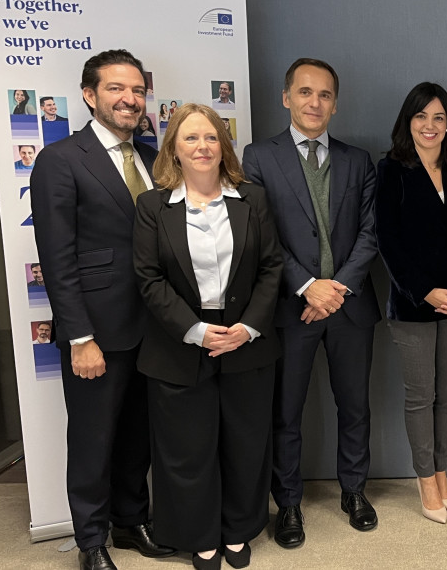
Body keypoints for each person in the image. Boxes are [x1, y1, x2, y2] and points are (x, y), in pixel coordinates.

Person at [29, 49, 174, 570]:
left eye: (137, 90)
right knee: (93, 442)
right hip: (98, 333)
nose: (130, 99)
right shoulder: (60, 160)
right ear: (90, 95)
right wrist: (79, 336)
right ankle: (91, 542)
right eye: (116, 89)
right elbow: (58, 258)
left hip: (154, 330)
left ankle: (131, 521)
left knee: (139, 436)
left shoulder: (153, 159)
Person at [133, 104, 282, 570]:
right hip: (179, 342)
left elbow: (271, 266)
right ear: (174, 149)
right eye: (191, 139)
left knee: (245, 441)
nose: (203, 147)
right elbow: (149, 278)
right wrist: (196, 331)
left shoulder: (252, 199)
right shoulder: (152, 206)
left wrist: (248, 327)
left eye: (212, 138)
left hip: (245, 337)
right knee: (186, 449)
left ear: (224, 146)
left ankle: (238, 529)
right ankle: (199, 536)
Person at [243, 58, 382, 545]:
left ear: (335, 104)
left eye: (324, 95)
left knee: (355, 407)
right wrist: (307, 286)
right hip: (290, 307)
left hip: (349, 306)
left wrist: (336, 287)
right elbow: (261, 235)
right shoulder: (258, 158)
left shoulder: (358, 160)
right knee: (287, 412)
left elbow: (370, 232)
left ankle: (354, 491)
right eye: (304, 93)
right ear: (286, 98)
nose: (314, 103)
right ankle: (289, 504)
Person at [375, 82, 447, 524]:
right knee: (421, 396)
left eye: (439, 117)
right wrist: (424, 291)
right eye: (421, 116)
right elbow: (389, 241)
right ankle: (425, 480)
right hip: (413, 304)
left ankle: (443, 471)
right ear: (408, 121)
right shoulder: (391, 169)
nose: (430, 125)